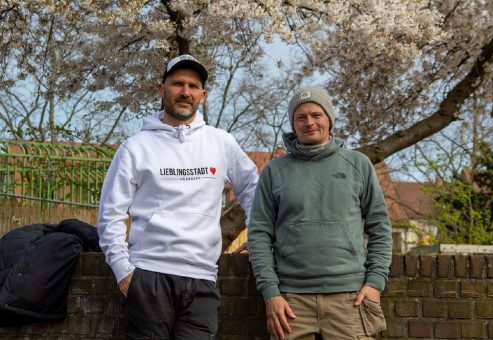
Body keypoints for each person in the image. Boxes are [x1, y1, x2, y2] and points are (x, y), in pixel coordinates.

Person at [97, 54, 258, 339]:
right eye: (177, 84)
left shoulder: (221, 142)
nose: (186, 92)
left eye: (193, 86)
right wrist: (123, 270)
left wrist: (257, 238)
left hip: (202, 278)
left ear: (203, 95)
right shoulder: (135, 147)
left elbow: (252, 189)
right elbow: (110, 213)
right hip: (149, 274)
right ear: (162, 89)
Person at [248, 86, 392, 340]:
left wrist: (374, 283)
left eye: (316, 114)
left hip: (350, 298)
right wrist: (271, 293)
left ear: (329, 119)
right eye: (300, 117)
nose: (309, 122)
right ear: (293, 123)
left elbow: (380, 227)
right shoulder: (274, 171)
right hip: (290, 301)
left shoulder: (358, 165)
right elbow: (259, 235)